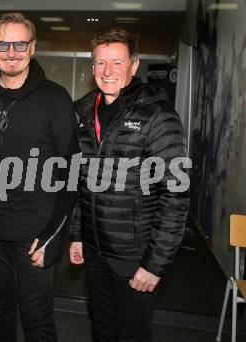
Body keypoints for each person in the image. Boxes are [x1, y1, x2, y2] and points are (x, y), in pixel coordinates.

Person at [69, 28, 189, 342]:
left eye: (117, 63)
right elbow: (83, 182)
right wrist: (78, 235)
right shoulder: (83, 111)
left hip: (134, 256)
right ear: (92, 66)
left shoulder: (158, 115)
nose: (107, 72)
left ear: (134, 66)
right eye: (100, 63)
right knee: (102, 330)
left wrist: (155, 264)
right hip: (95, 253)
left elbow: (175, 196)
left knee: (131, 336)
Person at [0, 12, 79, 342]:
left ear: (32, 48)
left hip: (36, 229)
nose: (11, 51)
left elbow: (70, 171)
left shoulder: (55, 98)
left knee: (36, 316)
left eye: (19, 43)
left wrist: (53, 235)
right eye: (2, 43)